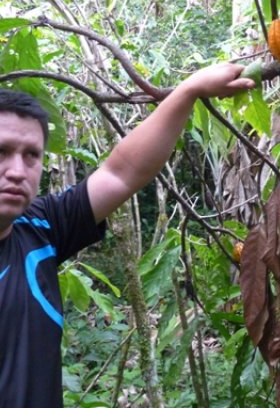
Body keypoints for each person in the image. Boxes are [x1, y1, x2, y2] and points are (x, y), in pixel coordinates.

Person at [0, 63, 255, 408]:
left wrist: (188, 90)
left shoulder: (41, 227)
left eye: (31, 155)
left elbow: (122, 173)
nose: (17, 171)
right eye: (1, 151)